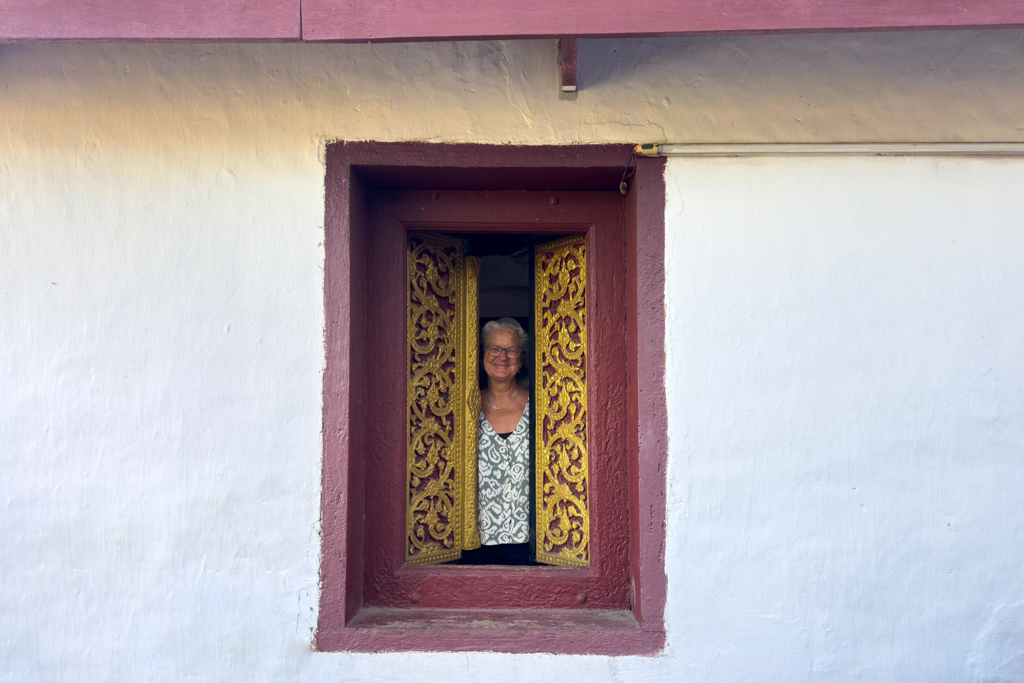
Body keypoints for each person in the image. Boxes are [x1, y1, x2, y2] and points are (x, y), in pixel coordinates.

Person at [462, 317, 532, 564]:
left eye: (511, 350)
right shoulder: (466, 409)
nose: (502, 357)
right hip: (475, 540)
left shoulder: (539, 406)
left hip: (531, 541)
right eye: (494, 349)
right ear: (482, 357)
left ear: (521, 360)